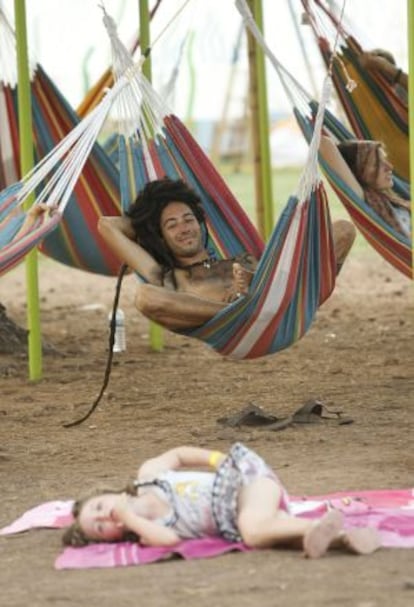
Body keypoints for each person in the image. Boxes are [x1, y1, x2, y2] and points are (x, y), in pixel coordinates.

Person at [97, 177, 356, 331]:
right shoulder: (168, 276)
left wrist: (255, 281)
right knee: (144, 296)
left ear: (200, 224)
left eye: (188, 220)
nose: (184, 229)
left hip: (280, 303)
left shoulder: (238, 259)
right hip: (232, 325)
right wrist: (149, 222)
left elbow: (278, 271)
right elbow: (107, 226)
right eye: (172, 225)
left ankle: (256, 302)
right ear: (160, 236)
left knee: (341, 230)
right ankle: (235, 310)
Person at [62, 442, 381, 559]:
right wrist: (132, 520)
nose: (106, 517)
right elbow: (170, 539)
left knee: (254, 532)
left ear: (109, 494)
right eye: (101, 528)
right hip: (244, 515)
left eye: (99, 508)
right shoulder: (148, 532)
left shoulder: (148, 476)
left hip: (248, 484)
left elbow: (179, 454)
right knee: (267, 534)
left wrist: (217, 459)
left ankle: (316, 527)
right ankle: (342, 537)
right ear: (115, 537)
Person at [319, 135, 411, 238]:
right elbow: (324, 144)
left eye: (385, 160)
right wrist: (316, 123)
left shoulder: (392, 200)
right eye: (377, 164)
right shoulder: (363, 198)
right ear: (359, 171)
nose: (390, 167)